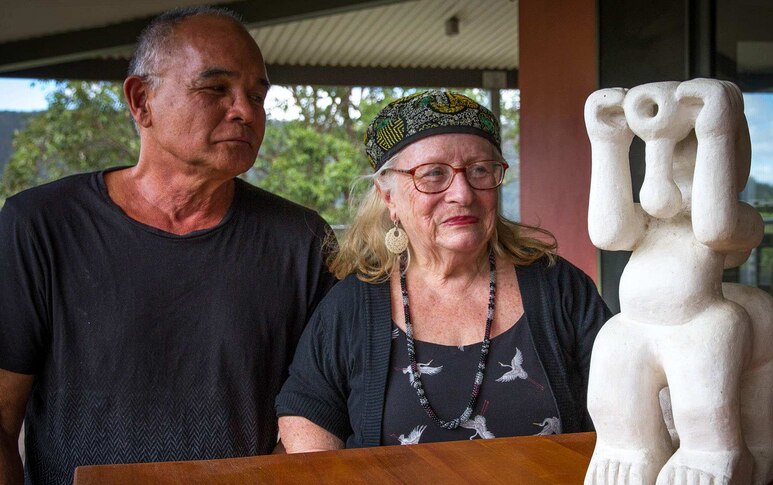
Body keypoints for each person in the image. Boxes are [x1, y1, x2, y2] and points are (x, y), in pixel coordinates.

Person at [0, 7, 335, 485]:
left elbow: (321, 411)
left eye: (257, 95)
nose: (245, 110)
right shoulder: (40, 226)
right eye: (215, 89)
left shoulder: (301, 241)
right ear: (142, 102)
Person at [275, 90, 610, 451]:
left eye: (480, 170)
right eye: (434, 174)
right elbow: (307, 420)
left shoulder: (560, 290)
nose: (462, 193)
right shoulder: (351, 307)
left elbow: (630, 405)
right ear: (389, 196)